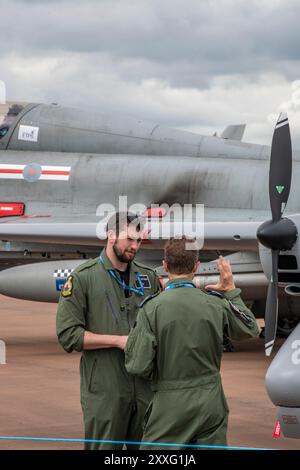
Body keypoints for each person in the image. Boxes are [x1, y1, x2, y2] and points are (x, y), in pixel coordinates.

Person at [125, 237, 260, 450]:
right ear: (196, 266)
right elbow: (250, 328)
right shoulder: (215, 303)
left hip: (170, 404)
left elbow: (137, 365)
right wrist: (231, 291)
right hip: (211, 401)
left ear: (165, 265)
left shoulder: (152, 309)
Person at [56, 212, 160, 450]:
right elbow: (68, 335)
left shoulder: (148, 277)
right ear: (111, 235)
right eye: (129, 239)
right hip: (105, 391)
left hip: (145, 389)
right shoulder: (83, 278)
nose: (134, 246)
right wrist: (118, 341)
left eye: (139, 241)